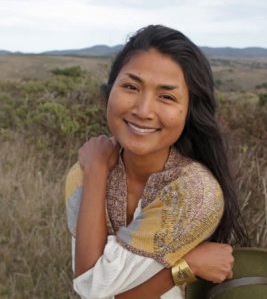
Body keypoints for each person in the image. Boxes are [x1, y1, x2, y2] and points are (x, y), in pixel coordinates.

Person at [65, 25, 247, 299]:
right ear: (109, 90)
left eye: (166, 96)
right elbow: (90, 288)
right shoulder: (83, 174)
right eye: (131, 86)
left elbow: (92, 289)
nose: (143, 110)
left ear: (190, 111)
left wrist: (183, 270)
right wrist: (189, 266)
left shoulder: (195, 194)